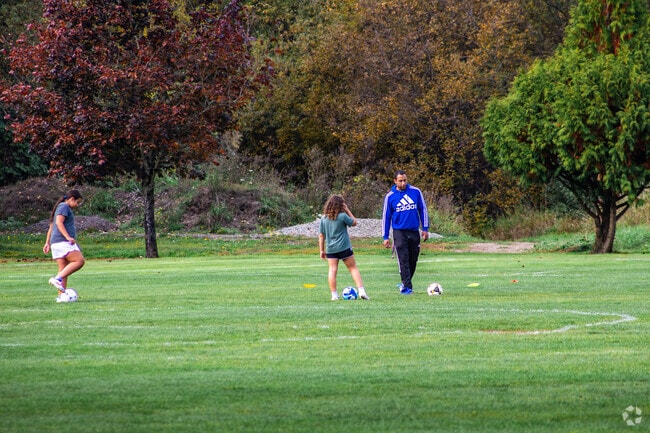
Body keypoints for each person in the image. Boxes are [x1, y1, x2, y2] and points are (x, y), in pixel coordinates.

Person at [382, 170, 429, 294]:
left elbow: (422, 209)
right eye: (400, 181)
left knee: (413, 259)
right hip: (399, 232)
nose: (403, 183)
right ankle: (407, 288)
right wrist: (385, 236)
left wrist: (425, 228)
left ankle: (404, 283)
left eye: (405, 180)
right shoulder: (390, 196)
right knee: (403, 259)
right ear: (395, 181)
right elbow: (386, 217)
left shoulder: (415, 191)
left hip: (414, 231)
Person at [318, 194, 369, 301]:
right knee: (353, 268)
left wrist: (322, 250)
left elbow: (321, 235)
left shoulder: (323, 218)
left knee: (332, 270)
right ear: (341, 205)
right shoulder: (342, 216)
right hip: (344, 247)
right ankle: (361, 291)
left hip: (331, 249)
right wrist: (347, 210)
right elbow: (354, 222)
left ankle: (334, 295)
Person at [43, 189, 85, 302]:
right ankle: (57, 279)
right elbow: (58, 223)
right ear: (72, 199)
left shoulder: (59, 207)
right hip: (63, 242)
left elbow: (51, 226)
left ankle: (61, 297)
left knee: (63, 269)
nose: (77, 205)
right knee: (79, 261)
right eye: (77, 202)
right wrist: (67, 237)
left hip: (55, 242)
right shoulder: (64, 207)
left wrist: (47, 242)